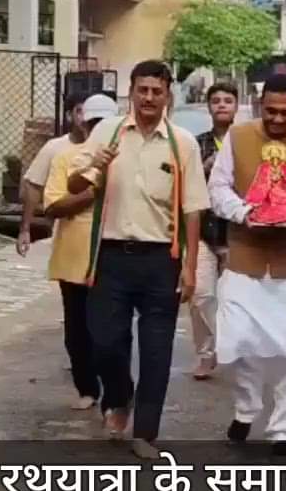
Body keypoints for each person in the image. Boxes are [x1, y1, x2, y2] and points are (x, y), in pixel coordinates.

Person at [66, 60, 211, 459]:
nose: (149, 98)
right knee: (104, 342)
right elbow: (74, 183)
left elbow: (193, 209)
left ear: (168, 96)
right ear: (131, 91)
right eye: (142, 90)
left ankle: (145, 431)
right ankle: (119, 395)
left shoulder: (182, 143)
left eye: (157, 91)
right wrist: (96, 164)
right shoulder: (107, 132)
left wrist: (190, 266)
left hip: (161, 259)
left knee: (157, 348)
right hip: (112, 256)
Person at [208, 74, 286, 455]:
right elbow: (218, 188)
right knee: (237, 340)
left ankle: (283, 429)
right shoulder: (238, 136)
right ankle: (246, 408)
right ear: (260, 107)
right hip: (245, 254)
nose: (278, 120)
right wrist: (246, 213)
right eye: (271, 112)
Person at [42, 93, 117, 410]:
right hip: (73, 259)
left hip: (112, 257)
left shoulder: (126, 156)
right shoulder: (65, 157)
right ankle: (87, 388)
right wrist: (91, 193)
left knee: (110, 331)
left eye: (104, 124)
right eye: (93, 123)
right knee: (77, 329)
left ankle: (116, 391)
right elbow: (54, 206)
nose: (97, 129)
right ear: (83, 123)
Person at [189, 81, 238, 380]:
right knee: (201, 293)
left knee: (236, 296)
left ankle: (239, 348)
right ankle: (208, 353)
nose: (221, 105)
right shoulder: (197, 144)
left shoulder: (247, 141)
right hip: (204, 228)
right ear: (208, 106)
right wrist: (205, 168)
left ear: (236, 105)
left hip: (237, 230)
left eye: (227, 100)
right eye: (216, 100)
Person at [18, 96, 88, 256]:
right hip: (64, 230)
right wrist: (25, 229)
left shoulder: (104, 146)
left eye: (89, 112)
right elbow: (34, 185)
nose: (85, 118)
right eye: (80, 111)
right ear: (70, 115)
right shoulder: (55, 148)